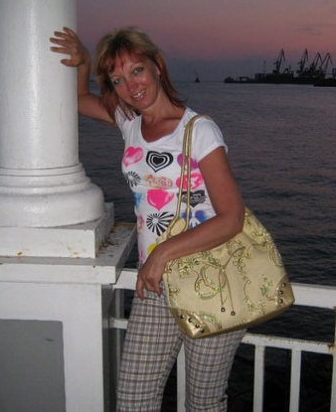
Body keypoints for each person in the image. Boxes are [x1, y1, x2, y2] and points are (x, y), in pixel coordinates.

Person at [50, 26, 246, 411]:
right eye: (118, 79)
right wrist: (85, 63)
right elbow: (79, 99)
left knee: (203, 403)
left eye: (137, 70)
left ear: (157, 65)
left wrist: (161, 253)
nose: (131, 86)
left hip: (212, 282)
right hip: (155, 286)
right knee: (133, 399)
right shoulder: (130, 122)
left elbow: (232, 218)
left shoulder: (200, 131)